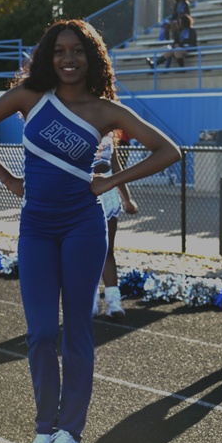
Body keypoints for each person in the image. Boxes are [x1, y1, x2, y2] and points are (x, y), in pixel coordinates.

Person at [0, 20, 180, 443]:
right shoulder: (29, 99)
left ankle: (70, 431)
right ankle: (44, 426)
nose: (68, 59)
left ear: (92, 56)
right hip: (36, 227)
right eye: (59, 50)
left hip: (83, 226)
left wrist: (112, 182)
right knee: (41, 332)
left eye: (77, 50)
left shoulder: (106, 111)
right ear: (48, 56)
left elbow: (169, 151)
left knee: (77, 328)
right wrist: (6, 177)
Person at [93, 130, 138, 319]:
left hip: (108, 193)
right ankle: (91, 300)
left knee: (107, 249)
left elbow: (116, 165)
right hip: (83, 190)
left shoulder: (109, 130)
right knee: (84, 252)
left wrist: (127, 199)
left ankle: (113, 301)